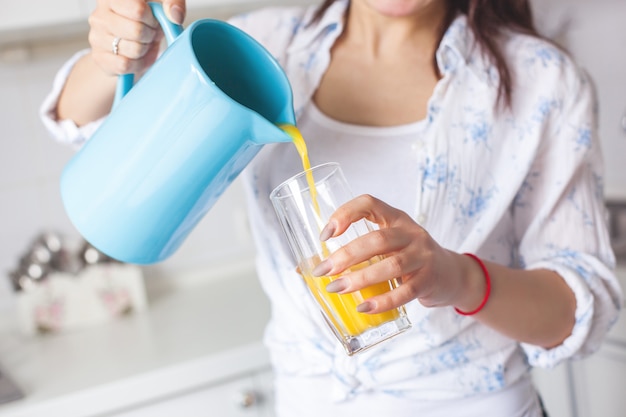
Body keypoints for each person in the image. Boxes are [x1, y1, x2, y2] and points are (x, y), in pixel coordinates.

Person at [40, 0, 622, 416]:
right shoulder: (265, 45)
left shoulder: (542, 83)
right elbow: (80, 121)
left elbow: (578, 311)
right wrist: (114, 50)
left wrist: (456, 276)